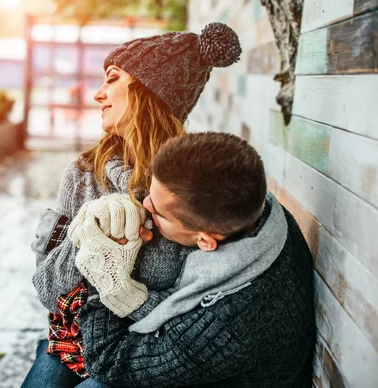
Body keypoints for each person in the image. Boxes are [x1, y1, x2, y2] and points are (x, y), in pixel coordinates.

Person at [22, 23, 242, 388]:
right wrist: (86, 235)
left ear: (149, 90)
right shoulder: (83, 174)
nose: (98, 94)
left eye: (112, 79)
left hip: (146, 356)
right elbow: (47, 288)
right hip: (71, 344)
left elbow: (190, 311)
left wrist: (122, 287)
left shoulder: (193, 190)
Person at [70, 132, 315, 387]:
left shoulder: (227, 326)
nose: (145, 205)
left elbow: (109, 360)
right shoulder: (259, 209)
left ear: (205, 242)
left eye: (159, 212)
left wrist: (103, 278)